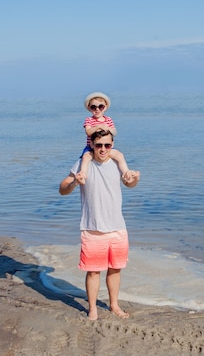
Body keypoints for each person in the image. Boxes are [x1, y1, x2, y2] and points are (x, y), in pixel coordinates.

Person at [59, 128, 140, 320]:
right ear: (92, 146)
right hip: (92, 228)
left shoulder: (116, 162)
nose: (103, 149)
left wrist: (134, 180)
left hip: (117, 227)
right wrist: (74, 183)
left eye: (107, 145)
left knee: (115, 269)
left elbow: (128, 183)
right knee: (93, 272)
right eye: (99, 145)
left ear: (112, 146)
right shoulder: (82, 164)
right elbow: (62, 189)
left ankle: (114, 305)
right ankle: (93, 309)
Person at [78, 92, 129, 183]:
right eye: (94, 107)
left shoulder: (108, 119)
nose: (97, 109)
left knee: (119, 155)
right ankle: (82, 175)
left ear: (105, 107)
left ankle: (126, 172)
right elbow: (88, 132)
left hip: (106, 146)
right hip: (91, 147)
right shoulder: (89, 120)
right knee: (86, 157)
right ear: (89, 108)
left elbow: (114, 132)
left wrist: (107, 128)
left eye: (100, 107)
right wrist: (98, 127)